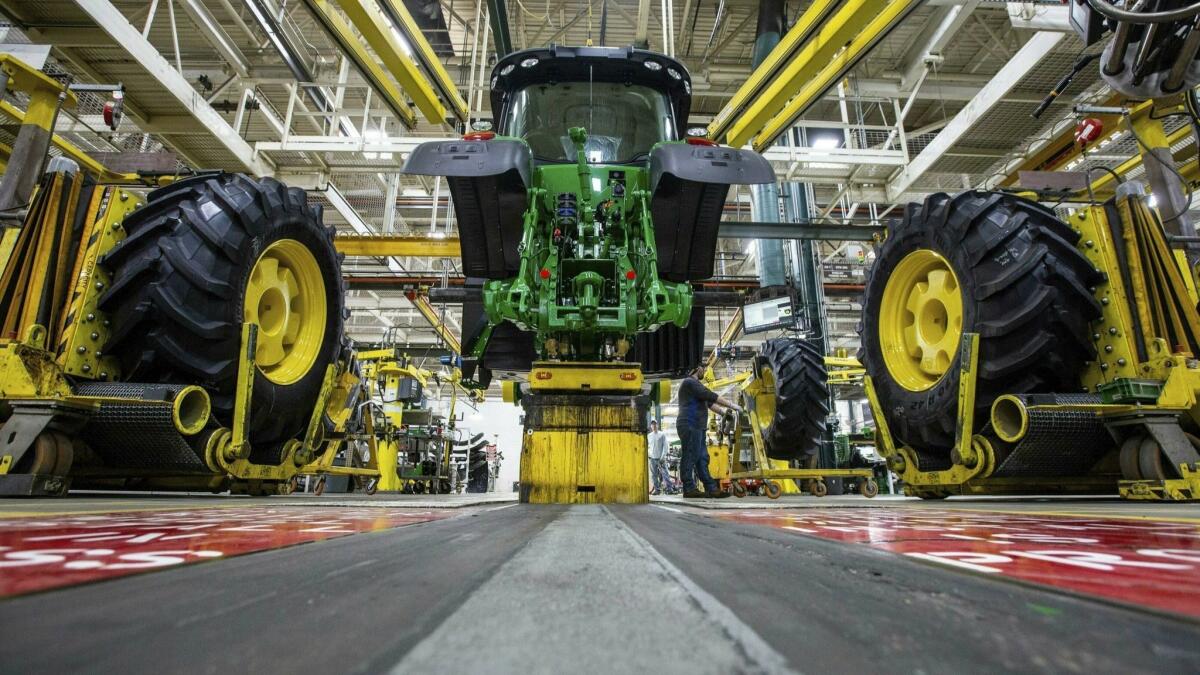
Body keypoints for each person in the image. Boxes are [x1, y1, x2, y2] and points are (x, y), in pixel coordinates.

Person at [676, 364, 741, 498]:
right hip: (690, 424)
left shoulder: (695, 386)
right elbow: (709, 395)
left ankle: (711, 488)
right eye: (703, 368)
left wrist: (724, 413)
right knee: (690, 455)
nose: (704, 371)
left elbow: (710, 404)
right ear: (697, 368)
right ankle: (688, 488)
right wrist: (732, 405)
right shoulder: (690, 382)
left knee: (702, 458)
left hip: (697, 426)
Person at [647, 420, 669, 495]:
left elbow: (665, 446)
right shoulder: (649, 436)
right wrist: (649, 455)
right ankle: (657, 490)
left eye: (655, 424)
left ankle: (669, 489)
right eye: (652, 424)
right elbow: (648, 447)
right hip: (652, 458)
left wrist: (662, 457)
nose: (654, 426)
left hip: (661, 458)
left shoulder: (662, 435)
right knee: (654, 475)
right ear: (651, 426)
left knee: (665, 474)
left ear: (658, 425)